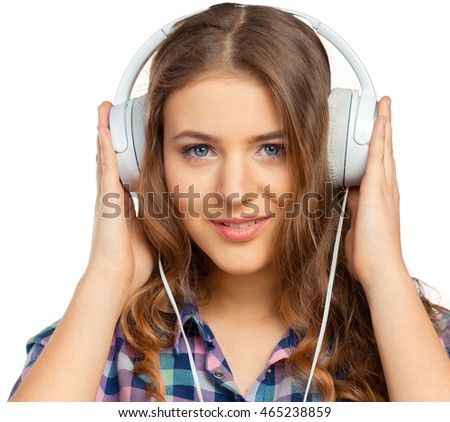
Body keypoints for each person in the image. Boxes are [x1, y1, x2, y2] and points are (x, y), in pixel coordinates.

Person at [8, 3, 450, 402]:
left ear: (336, 156)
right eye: (199, 150)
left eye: (272, 148)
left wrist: (383, 273)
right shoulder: (87, 345)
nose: (234, 192)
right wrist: (105, 277)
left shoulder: (425, 343)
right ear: (143, 159)